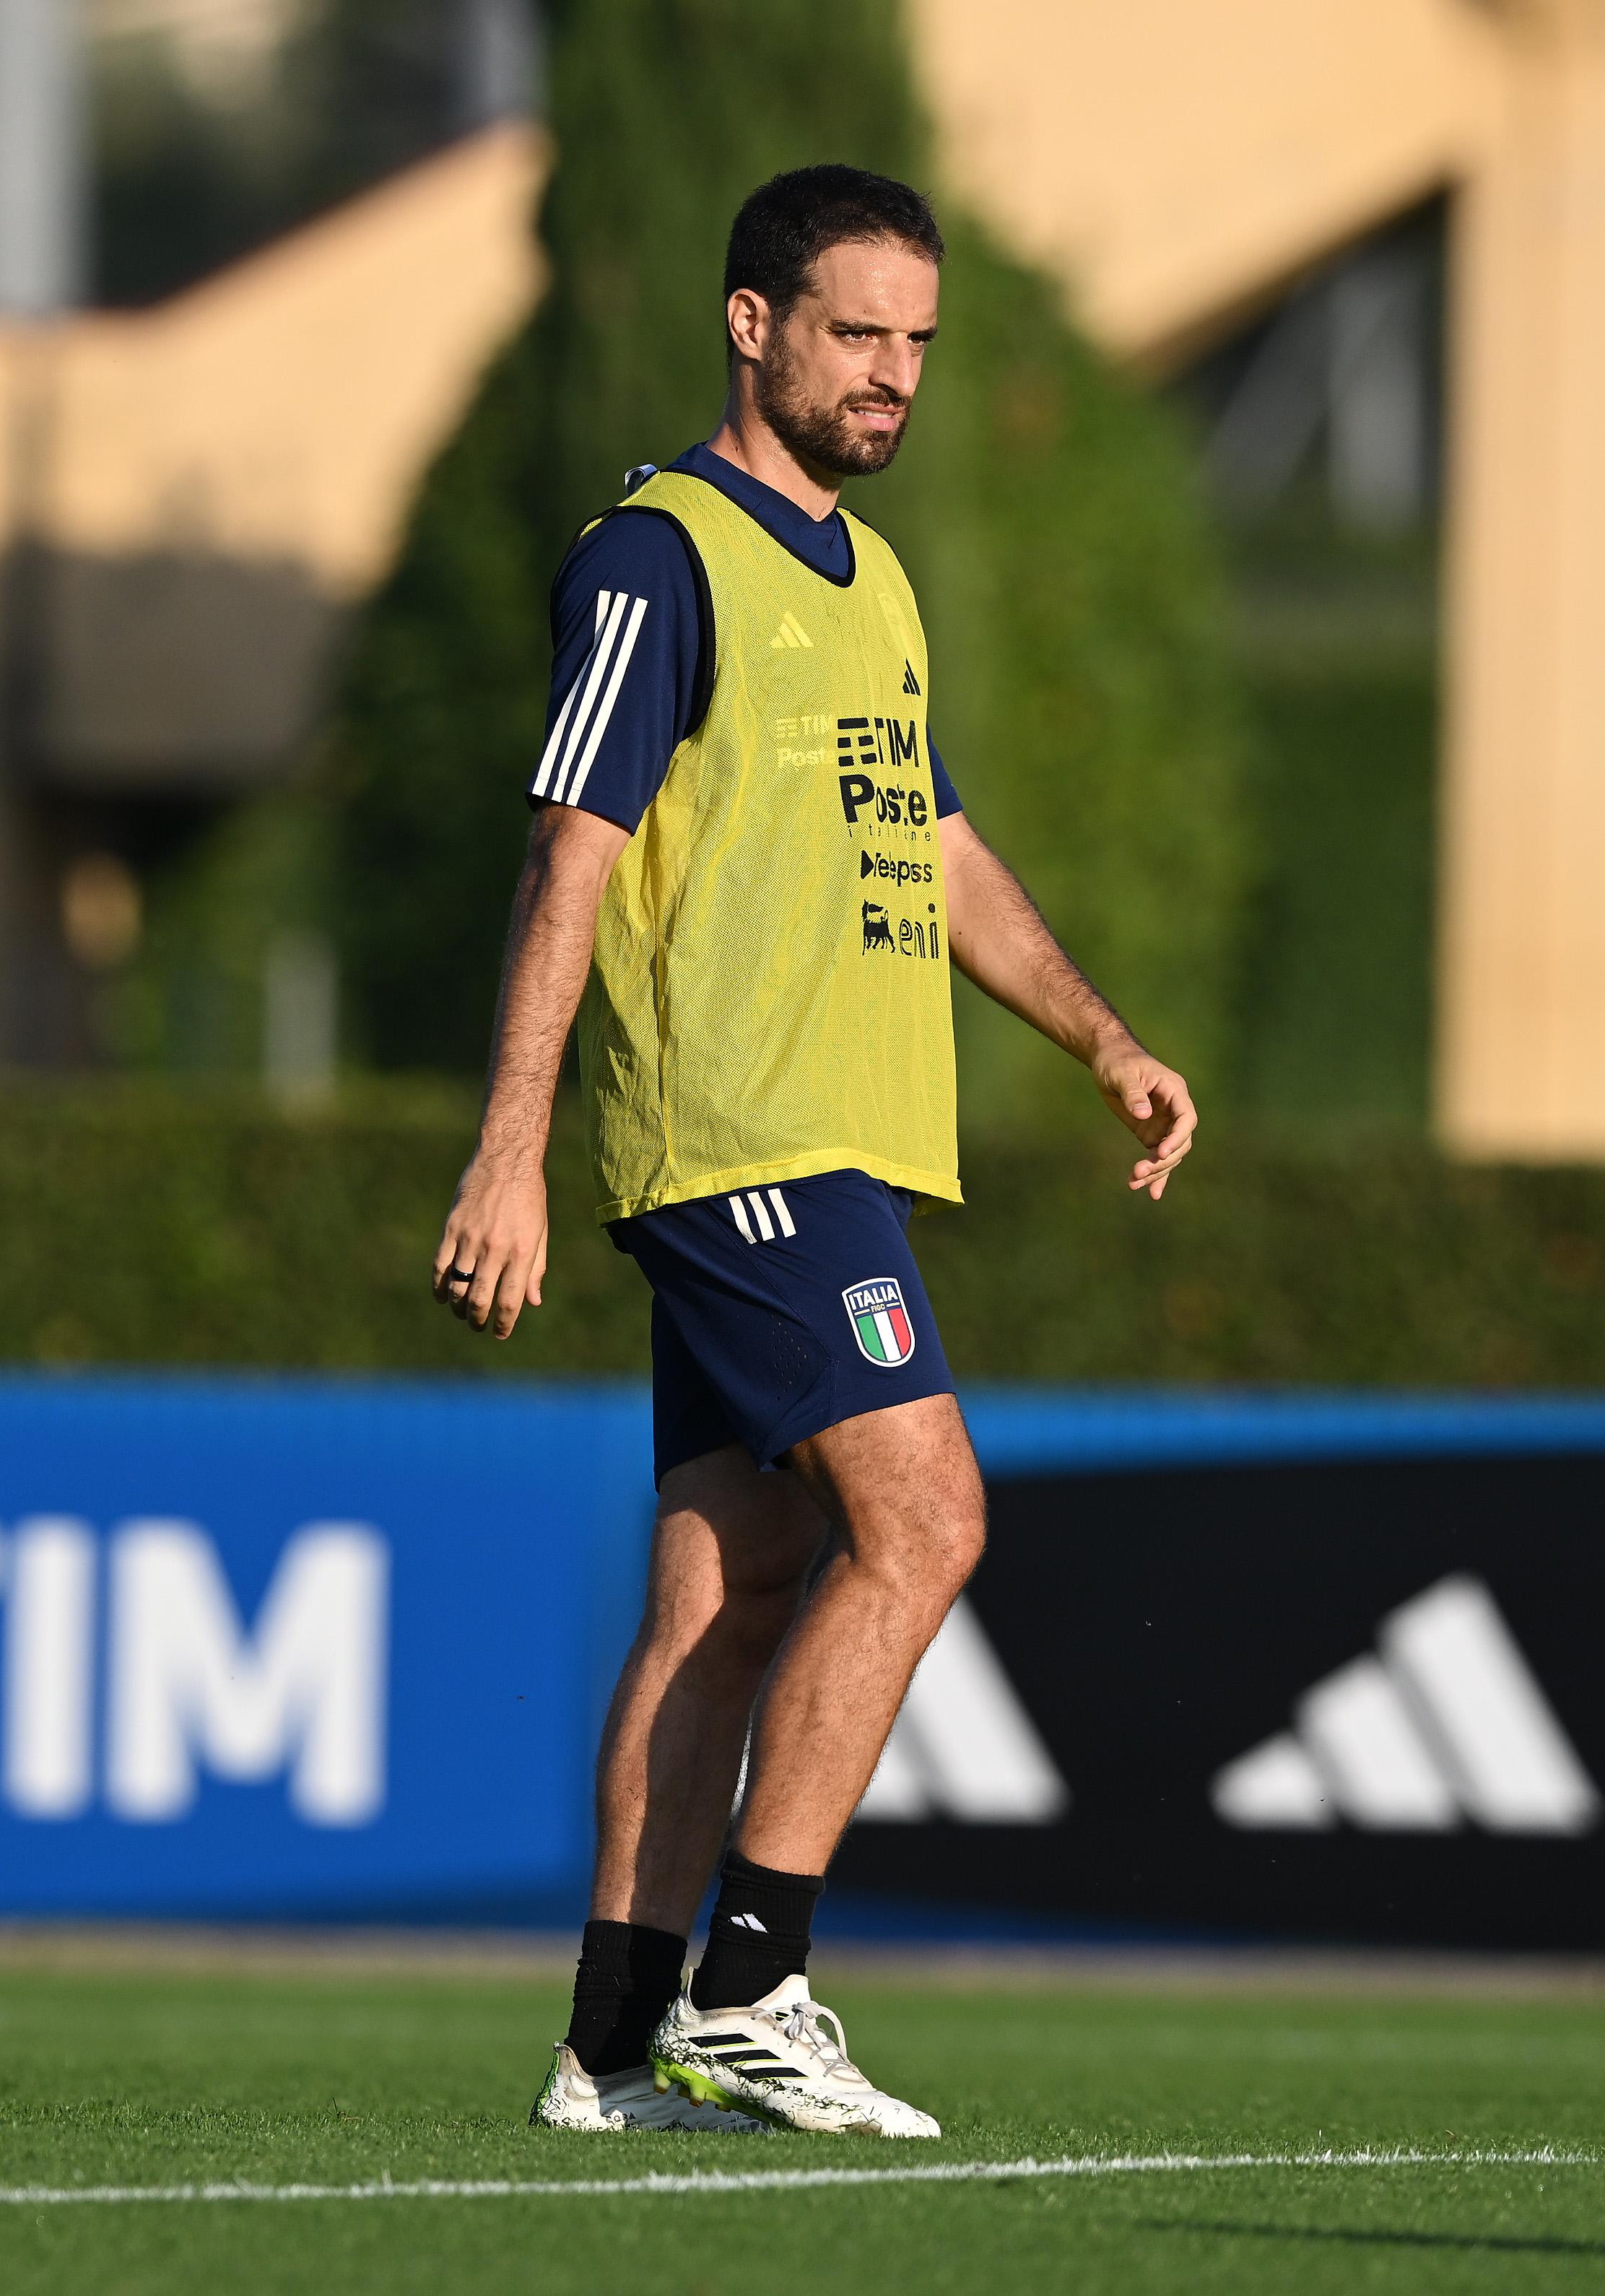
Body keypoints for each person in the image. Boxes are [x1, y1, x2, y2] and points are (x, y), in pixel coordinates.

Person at [434, 164, 1196, 2138]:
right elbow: (569, 855)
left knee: (731, 1585)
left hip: (824, 1135)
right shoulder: (657, 558)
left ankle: (611, 2046)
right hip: (740, 1133)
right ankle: (755, 1980)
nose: (894, 375)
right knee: (927, 1518)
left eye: (918, 343)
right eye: (858, 332)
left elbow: (934, 855)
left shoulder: (876, 583)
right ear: (751, 324)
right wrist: (509, 1145)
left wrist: (1099, 1029)